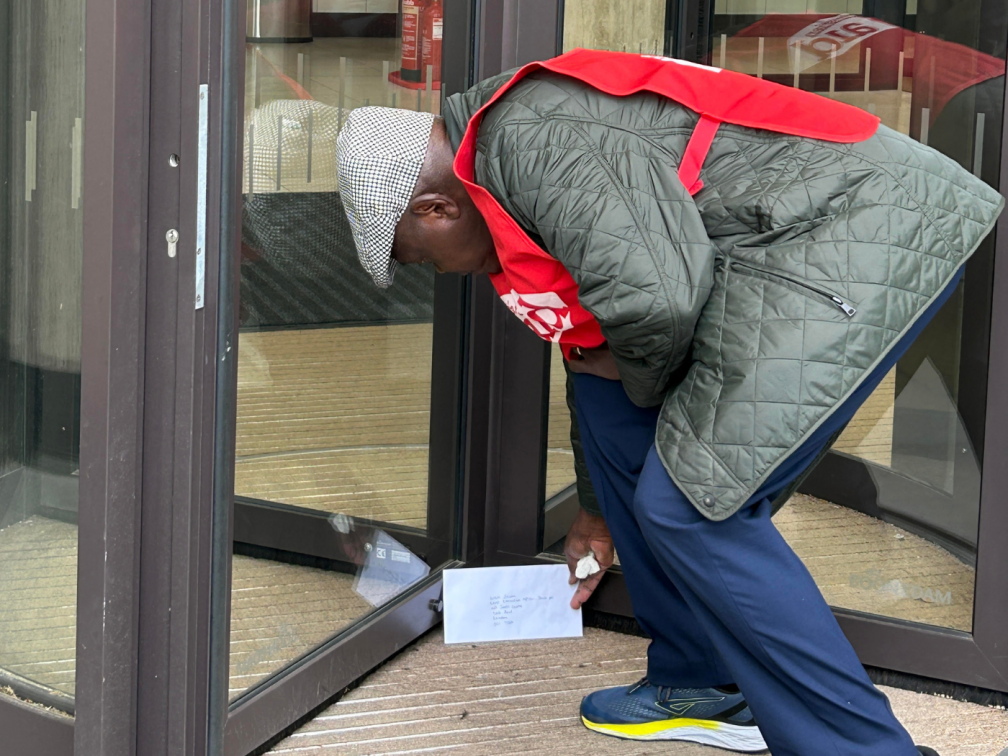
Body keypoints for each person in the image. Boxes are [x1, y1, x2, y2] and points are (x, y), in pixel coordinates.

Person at [334, 48, 1002, 756]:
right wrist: (596, 509)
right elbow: (595, 347)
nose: (437, 271)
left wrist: (656, 424)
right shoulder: (493, 160)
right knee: (615, 412)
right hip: (767, 244)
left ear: (435, 209)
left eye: (416, 256)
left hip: (854, 229)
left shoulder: (534, 140)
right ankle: (699, 681)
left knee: (692, 505)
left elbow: (655, 302)